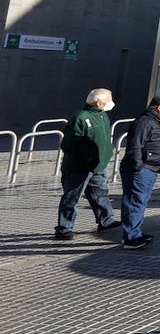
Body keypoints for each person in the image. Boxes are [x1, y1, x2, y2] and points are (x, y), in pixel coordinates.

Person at [55, 88, 120, 240]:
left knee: (100, 194)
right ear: (98, 102)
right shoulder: (81, 118)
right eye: (108, 99)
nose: (111, 103)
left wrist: (107, 153)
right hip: (79, 168)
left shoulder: (102, 115)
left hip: (99, 166)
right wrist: (88, 157)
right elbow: (69, 145)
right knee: (72, 197)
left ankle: (106, 220)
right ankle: (64, 228)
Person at [119, 94, 160, 249]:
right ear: (159, 108)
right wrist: (138, 167)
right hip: (141, 169)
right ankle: (131, 238)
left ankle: (133, 233)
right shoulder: (144, 122)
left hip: (151, 169)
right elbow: (135, 146)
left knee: (140, 202)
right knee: (135, 202)